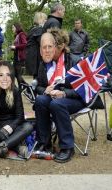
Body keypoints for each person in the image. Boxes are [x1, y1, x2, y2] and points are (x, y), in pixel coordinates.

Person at [34, 30, 86, 163]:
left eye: (51, 46)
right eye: (44, 47)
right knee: (40, 100)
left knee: (57, 104)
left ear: (61, 47)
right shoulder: (45, 63)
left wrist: (64, 93)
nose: (47, 50)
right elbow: (38, 87)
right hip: (54, 98)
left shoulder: (74, 60)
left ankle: (67, 147)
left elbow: (83, 90)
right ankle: (44, 142)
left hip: (76, 99)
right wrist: (45, 90)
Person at [26, 12, 47, 78]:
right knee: (39, 77)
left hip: (32, 57)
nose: (46, 21)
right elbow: (42, 42)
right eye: (44, 19)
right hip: (36, 57)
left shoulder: (33, 29)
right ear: (40, 19)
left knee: (36, 77)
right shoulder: (38, 29)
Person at [10, 22, 27, 87]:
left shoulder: (21, 34)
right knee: (15, 74)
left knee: (18, 74)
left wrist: (15, 47)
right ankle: (25, 87)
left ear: (17, 27)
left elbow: (25, 44)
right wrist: (14, 48)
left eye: (13, 27)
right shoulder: (17, 35)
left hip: (20, 58)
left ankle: (22, 88)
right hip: (16, 57)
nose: (12, 29)